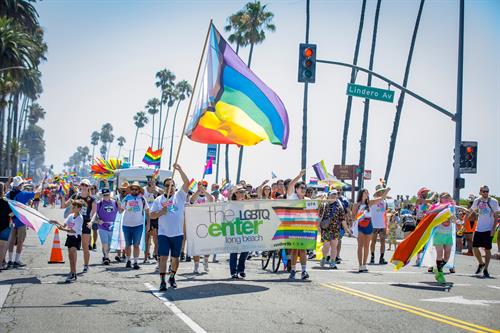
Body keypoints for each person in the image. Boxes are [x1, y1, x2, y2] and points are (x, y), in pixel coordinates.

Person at [150, 164, 190, 291]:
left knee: (175, 259)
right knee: (163, 257)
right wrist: (162, 211)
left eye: (172, 185)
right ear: (164, 187)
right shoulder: (158, 200)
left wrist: (180, 170)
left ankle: (172, 276)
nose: (170, 187)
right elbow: (152, 215)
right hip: (164, 234)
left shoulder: (180, 196)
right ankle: (162, 281)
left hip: (177, 234)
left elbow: (187, 182)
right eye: (167, 185)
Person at [6, 176, 42, 268]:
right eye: (22, 184)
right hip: (21, 221)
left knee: (11, 241)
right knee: (20, 241)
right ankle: (16, 260)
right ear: (20, 185)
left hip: (10, 220)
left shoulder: (8, 194)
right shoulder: (23, 194)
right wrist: (40, 186)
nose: (22, 185)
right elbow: (36, 193)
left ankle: (9, 260)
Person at [61, 179, 96, 272]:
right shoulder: (75, 196)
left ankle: (86, 265)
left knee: (85, 246)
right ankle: (73, 268)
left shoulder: (91, 199)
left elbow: (95, 213)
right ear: (80, 186)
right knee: (73, 247)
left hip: (86, 224)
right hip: (75, 223)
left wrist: (92, 222)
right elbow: (64, 205)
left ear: (89, 187)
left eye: (86, 185)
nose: (84, 187)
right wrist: (63, 196)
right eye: (82, 185)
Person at [352, 188, 390, 273]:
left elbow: (381, 198)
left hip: (369, 225)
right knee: (360, 246)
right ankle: (360, 265)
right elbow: (352, 217)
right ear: (361, 194)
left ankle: (364, 265)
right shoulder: (356, 205)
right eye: (365, 192)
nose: (367, 194)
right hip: (360, 225)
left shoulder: (370, 203)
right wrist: (360, 216)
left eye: (367, 193)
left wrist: (386, 191)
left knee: (366, 246)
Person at [50, 199, 85, 283]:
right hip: (69, 237)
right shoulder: (71, 216)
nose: (72, 208)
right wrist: (56, 222)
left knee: (72, 254)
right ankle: (72, 272)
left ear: (79, 208)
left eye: (74, 207)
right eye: (72, 206)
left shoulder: (79, 218)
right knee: (70, 256)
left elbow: (73, 230)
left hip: (76, 237)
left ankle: (73, 273)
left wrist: (62, 229)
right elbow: (64, 225)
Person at [427, 193, 458, 284]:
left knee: (447, 256)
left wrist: (453, 217)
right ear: (441, 199)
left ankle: (438, 268)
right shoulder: (436, 207)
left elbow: (454, 220)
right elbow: (431, 217)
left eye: (448, 197)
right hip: (439, 234)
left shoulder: (451, 208)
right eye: (445, 197)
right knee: (439, 254)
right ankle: (440, 274)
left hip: (448, 234)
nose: (447, 198)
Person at [469, 185, 499, 278]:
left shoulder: (493, 201)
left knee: (487, 249)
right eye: (484, 191)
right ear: (480, 191)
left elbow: (496, 215)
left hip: (488, 228)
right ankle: (481, 263)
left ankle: (486, 269)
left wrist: (493, 228)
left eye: (487, 191)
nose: (486, 193)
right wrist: (465, 220)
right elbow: (471, 211)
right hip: (479, 228)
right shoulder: (477, 200)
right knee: (475, 248)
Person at [286, 169, 310, 280]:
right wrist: (299, 176)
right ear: (296, 189)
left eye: (305, 188)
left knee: (303, 250)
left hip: (305, 228)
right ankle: (293, 270)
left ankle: (304, 271)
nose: (304, 190)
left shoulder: (308, 200)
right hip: (293, 227)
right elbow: (290, 184)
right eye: (302, 188)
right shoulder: (292, 197)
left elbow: (313, 215)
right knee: (295, 250)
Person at [121, 182, 150, 270]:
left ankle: (136, 262)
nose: (134, 191)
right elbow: (120, 210)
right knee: (128, 244)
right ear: (130, 190)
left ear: (138, 190)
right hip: (126, 225)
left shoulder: (142, 199)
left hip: (138, 225)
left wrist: (148, 223)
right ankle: (128, 260)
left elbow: (147, 211)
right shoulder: (126, 198)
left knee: (136, 245)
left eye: (136, 189)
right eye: (132, 189)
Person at [319, 190, 350, 269]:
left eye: (335, 194)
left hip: (335, 229)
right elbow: (319, 217)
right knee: (326, 246)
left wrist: (347, 229)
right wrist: (318, 227)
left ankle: (332, 261)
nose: (334, 196)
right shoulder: (324, 205)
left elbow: (342, 219)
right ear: (328, 196)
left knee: (334, 246)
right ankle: (324, 257)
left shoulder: (339, 206)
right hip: (326, 229)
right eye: (332, 194)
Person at [92, 188, 123, 265]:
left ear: (110, 194)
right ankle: (106, 257)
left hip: (112, 226)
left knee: (109, 244)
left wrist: (119, 203)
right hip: (102, 226)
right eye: (104, 195)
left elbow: (121, 211)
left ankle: (105, 255)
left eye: (107, 195)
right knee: (104, 243)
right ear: (102, 195)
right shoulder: (99, 203)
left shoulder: (115, 202)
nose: (106, 196)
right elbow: (93, 215)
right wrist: (98, 220)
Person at [190, 180, 214, 273]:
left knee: (208, 245)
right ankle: (196, 265)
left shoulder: (209, 196)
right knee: (196, 246)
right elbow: (192, 201)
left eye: (204, 185)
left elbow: (211, 200)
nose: (202, 187)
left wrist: (205, 191)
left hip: (207, 224)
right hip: (196, 224)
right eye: (200, 185)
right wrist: (198, 191)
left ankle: (206, 260)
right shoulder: (195, 196)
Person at [228, 185, 249, 279]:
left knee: (245, 251)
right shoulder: (231, 204)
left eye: (244, 192)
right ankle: (233, 272)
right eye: (240, 192)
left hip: (245, 230)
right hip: (234, 229)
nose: (243, 194)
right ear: (235, 193)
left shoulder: (247, 203)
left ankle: (241, 269)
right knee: (234, 252)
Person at [143, 176, 162, 263]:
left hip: (155, 216)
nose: (151, 182)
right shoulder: (143, 190)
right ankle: (146, 256)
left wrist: (156, 192)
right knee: (146, 237)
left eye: (153, 181)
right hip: (146, 216)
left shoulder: (158, 190)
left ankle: (155, 253)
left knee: (156, 237)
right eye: (149, 180)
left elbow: (165, 195)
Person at [370, 185, 389, 265]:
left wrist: (386, 225)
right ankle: (372, 257)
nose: (381, 192)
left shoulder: (385, 202)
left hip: (382, 225)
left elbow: (385, 213)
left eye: (382, 191)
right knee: (373, 241)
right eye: (380, 191)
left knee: (382, 242)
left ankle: (381, 258)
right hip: (374, 224)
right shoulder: (373, 200)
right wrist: (387, 191)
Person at [0, 182, 14, 270]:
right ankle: (0, 265)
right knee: (2, 248)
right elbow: (11, 214)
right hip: (4, 227)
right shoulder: (6, 202)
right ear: (3, 190)